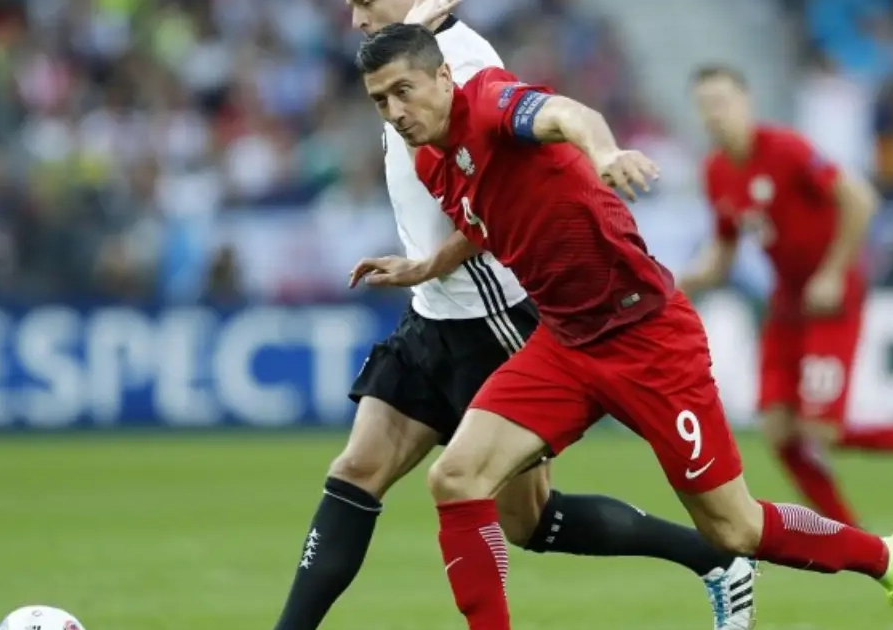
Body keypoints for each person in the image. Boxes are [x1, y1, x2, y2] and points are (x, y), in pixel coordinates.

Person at [353, 22, 893, 630]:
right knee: (455, 477)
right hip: (564, 343)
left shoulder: (491, 101)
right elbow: (484, 221)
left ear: (443, 77)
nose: (395, 112)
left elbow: (569, 116)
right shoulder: (431, 160)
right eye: (380, 100)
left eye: (404, 91)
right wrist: (427, 266)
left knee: (734, 528)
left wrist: (604, 153)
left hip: (646, 338)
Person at [271, 3, 756, 629]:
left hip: (490, 316)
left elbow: (502, 193)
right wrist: (422, 270)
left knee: (528, 520)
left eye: (366, 0)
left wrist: (603, 151)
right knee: (356, 470)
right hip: (432, 312)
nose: (355, 15)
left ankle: (715, 556)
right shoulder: (397, 60)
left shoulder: (463, 61)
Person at [678, 64, 893, 526]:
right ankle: (850, 536)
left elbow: (860, 199)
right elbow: (722, 252)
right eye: (704, 106)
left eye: (722, 102)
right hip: (786, 304)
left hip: (832, 300)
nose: (714, 114)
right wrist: (677, 284)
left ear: (746, 103)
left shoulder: (786, 149)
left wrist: (834, 272)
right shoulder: (716, 171)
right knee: (779, 433)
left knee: (822, 430)